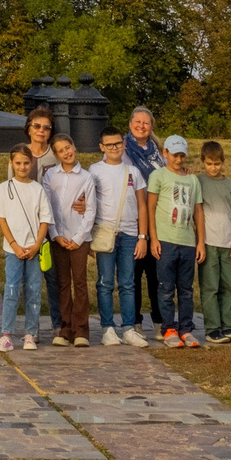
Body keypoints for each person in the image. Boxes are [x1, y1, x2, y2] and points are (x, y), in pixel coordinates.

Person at [86, 129, 151, 348]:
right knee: (105, 283)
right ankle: (107, 328)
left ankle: (129, 327)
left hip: (131, 233)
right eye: (109, 144)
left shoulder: (133, 171)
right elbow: (87, 202)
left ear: (124, 144)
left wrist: (143, 236)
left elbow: (142, 205)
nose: (114, 148)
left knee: (128, 283)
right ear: (101, 146)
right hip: (106, 233)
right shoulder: (94, 170)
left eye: (118, 144)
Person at [0, 143, 52, 351]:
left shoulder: (38, 189)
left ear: (32, 163)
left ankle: (30, 333)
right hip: (13, 250)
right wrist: (14, 244)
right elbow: (2, 220)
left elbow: (45, 219)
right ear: (11, 163)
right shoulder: (3, 188)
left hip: (34, 249)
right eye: (18, 163)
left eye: (26, 163)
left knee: (33, 290)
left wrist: (36, 245)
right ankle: (6, 334)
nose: (22, 167)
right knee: (11, 289)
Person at [146, 135, 203, 347]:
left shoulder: (193, 180)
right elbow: (151, 208)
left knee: (186, 289)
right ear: (165, 153)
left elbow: (198, 211)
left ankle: (186, 329)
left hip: (187, 241)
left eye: (182, 155)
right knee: (166, 287)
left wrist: (200, 242)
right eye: (174, 155)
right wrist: (154, 238)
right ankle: (168, 328)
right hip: (166, 240)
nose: (178, 159)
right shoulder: (158, 176)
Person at [41, 132, 96, 347]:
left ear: (74, 146)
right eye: (61, 150)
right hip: (58, 238)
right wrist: (56, 235)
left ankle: (81, 330)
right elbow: (47, 207)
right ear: (56, 155)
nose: (67, 152)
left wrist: (78, 237)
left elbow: (90, 210)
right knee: (63, 283)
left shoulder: (86, 177)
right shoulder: (50, 177)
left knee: (80, 282)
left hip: (79, 237)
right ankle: (65, 328)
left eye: (69, 147)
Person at [193, 140, 231, 347]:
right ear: (203, 162)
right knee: (210, 287)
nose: (213, 168)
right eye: (209, 164)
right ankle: (212, 328)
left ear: (223, 162)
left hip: (228, 242)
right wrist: (200, 243)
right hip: (208, 244)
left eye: (217, 164)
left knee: (229, 287)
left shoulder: (230, 185)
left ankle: (228, 326)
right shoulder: (197, 182)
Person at [22, 108, 64, 340]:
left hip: (52, 224)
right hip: (26, 225)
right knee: (29, 280)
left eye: (46, 127)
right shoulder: (19, 154)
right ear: (29, 127)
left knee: (53, 276)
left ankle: (58, 323)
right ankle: (32, 327)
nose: (41, 131)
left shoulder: (55, 155)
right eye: (37, 126)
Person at [121, 106, 164, 330]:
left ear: (151, 126)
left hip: (157, 218)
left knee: (156, 275)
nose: (141, 126)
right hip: (132, 217)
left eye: (145, 123)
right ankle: (135, 322)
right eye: (137, 122)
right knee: (134, 274)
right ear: (130, 124)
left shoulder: (159, 152)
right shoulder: (122, 150)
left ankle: (159, 320)